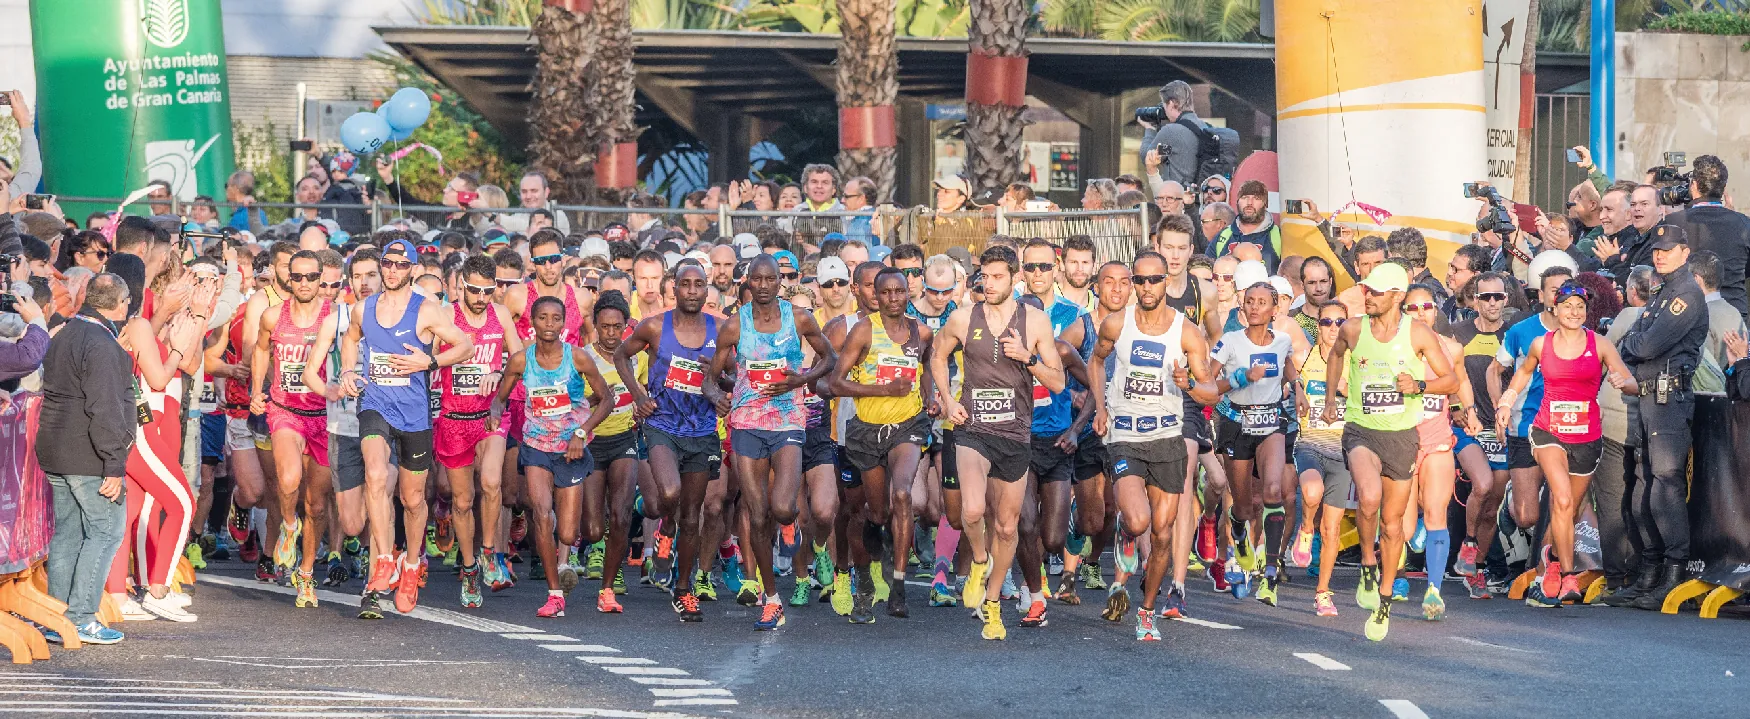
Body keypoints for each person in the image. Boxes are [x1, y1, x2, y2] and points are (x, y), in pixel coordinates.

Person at [323, 238, 475, 616]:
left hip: (414, 415)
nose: (392, 271)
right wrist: (346, 369)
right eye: (387, 264)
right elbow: (351, 338)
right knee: (375, 474)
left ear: (412, 270)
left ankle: (410, 565)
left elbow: (466, 346)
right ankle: (385, 559)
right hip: (375, 404)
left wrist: (430, 362)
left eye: (400, 265)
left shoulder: (427, 310)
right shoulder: (363, 308)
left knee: (411, 499)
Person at [926, 244, 1064, 640]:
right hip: (972, 429)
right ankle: (979, 559)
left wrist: (1027, 357)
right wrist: (948, 399)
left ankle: (991, 604)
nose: (989, 283)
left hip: (1016, 435)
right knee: (971, 512)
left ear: (1016, 277)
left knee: (1007, 527)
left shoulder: (1034, 322)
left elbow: (1057, 382)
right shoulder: (963, 317)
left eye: (998, 276)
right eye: (983, 276)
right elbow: (937, 357)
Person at [1319, 262, 1458, 642]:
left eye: (1377, 292)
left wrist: (1418, 385)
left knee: (1394, 524)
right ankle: (1367, 562)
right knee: (1369, 497)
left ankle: (1383, 598)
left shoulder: (1418, 333)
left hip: (1402, 436)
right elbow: (1335, 354)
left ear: (1397, 295)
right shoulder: (1352, 327)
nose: (1369, 296)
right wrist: (1331, 398)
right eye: (1367, 290)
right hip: (1361, 429)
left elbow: (1450, 380)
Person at [704, 255, 836, 628]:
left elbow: (830, 357)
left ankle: (790, 525)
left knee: (781, 507)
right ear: (748, 281)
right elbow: (711, 378)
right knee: (757, 514)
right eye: (757, 279)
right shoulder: (734, 325)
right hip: (746, 422)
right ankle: (772, 598)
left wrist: (800, 379)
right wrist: (717, 398)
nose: (763, 286)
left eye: (770, 279)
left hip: (787, 419)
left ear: (780, 282)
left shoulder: (799, 318)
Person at [1089, 251, 1214, 639]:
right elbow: (1095, 362)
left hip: (1167, 437)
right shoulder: (1116, 323)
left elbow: (1210, 392)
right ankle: (1126, 534)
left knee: (1162, 532)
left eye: (1153, 280)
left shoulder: (1187, 331)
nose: (1145, 288)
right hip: (1125, 435)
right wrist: (1101, 408)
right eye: (1138, 281)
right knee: (1139, 520)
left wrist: (1188, 384)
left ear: (1166, 283)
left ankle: (1147, 610)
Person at [1499, 279, 1639, 608]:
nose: (1573, 312)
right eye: (1567, 306)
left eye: (1580, 307)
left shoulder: (1600, 344)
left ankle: (1551, 560)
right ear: (1555, 309)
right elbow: (1523, 373)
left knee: (1570, 510)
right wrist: (1506, 401)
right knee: (1560, 499)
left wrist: (1624, 381)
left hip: (1587, 437)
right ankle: (1568, 576)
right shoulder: (1540, 344)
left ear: (1586, 312)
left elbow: (1630, 382)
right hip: (1548, 431)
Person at [492, 295, 614, 618]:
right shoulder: (520, 361)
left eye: (556, 319)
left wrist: (581, 432)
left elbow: (607, 400)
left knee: (568, 533)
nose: (549, 325)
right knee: (542, 514)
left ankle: (565, 559)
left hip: (570, 450)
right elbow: (500, 397)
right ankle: (554, 593)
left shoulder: (578, 359)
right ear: (532, 323)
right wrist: (494, 413)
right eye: (542, 318)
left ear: (564, 323)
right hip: (536, 447)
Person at [615, 263, 721, 622]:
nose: (692, 291)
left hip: (702, 429)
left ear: (707, 291)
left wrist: (719, 379)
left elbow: (734, 374)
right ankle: (665, 527)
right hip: (662, 423)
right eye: (685, 284)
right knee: (670, 494)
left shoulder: (719, 330)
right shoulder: (654, 326)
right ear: (673, 289)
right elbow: (620, 355)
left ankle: (683, 589)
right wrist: (638, 394)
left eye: (699, 285)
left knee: (694, 516)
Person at [1613, 225, 1708, 610]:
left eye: (1668, 250)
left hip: (1669, 400)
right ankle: (1649, 572)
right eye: (1657, 250)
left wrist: (1633, 345)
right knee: (1643, 485)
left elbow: (1644, 343)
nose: (1660, 255)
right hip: (1650, 398)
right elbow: (1633, 341)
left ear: (1685, 252)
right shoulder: (1662, 291)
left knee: (1665, 486)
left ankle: (1673, 574)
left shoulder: (1685, 294)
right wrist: (1634, 344)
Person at [40, 273, 135, 644]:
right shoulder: (100, 343)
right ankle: (79, 617)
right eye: (127, 302)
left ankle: (55, 617)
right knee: (106, 530)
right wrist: (114, 463)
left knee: (69, 533)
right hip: (87, 453)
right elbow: (105, 408)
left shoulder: (65, 332)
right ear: (120, 302)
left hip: (56, 447)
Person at [433, 254, 521, 606]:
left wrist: (499, 375)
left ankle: (488, 553)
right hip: (454, 419)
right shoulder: (443, 317)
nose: (482, 297)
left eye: (489, 290)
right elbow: (427, 357)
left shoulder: (499, 315)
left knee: (490, 482)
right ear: (460, 286)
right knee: (463, 500)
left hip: (491, 416)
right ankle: (469, 569)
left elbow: (519, 359)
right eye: (475, 290)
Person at [1208, 281, 1303, 605]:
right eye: (1249, 301)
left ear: (1275, 309)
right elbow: (1209, 384)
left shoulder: (1283, 340)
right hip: (1236, 423)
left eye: (1262, 302)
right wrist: (1240, 378)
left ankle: (1271, 570)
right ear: (1242, 306)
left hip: (1271, 422)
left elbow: (1289, 368)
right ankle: (1238, 533)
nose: (1255, 307)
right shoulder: (1231, 341)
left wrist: (1299, 388)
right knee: (1244, 507)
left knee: (1274, 491)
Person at [250, 250, 334, 608]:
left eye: (311, 277)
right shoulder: (273, 316)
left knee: (316, 505)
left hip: (325, 416)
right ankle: (287, 525)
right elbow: (260, 350)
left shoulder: (336, 318)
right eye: (296, 277)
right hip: (285, 410)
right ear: (287, 279)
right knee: (287, 480)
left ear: (320, 279)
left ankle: (307, 571)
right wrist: (256, 390)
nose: (303, 283)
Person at [1450, 272, 1514, 599]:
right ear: (1474, 300)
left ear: (1506, 300)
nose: (1492, 302)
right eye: (1485, 297)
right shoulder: (1458, 333)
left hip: (1501, 431)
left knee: (1492, 506)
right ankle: (1469, 543)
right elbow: (1443, 374)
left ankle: (1476, 568)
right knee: (1483, 484)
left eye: (1498, 297)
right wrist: (1456, 406)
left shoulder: (1514, 335)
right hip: (1467, 428)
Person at [580, 290, 643, 611]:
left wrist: (643, 405)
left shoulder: (637, 358)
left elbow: (646, 394)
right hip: (592, 444)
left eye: (617, 327)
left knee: (621, 514)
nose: (611, 334)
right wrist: (595, 401)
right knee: (592, 529)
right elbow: (572, 402)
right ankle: (594, 546)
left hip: (624, 440)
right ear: (595, 326)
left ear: (626, 326)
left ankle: (608, 587)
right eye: (604, 327)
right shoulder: (582, 358)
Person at [1293, 299, 1351, 617]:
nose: (1332, 328)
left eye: (1339, 322)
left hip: (1341, 452)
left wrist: (1349, 389)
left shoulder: (1356, 361)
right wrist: (1297, 387)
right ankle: (1305, 527)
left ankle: (1323, 593)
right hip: (1310, 444)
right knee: (1311, 492)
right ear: (1317, 326)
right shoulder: (1306, 357)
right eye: (1326, 322)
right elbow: (1289, 372)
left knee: (1333, 528)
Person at [1665, 155, 1749, 317]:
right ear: (1723, 189)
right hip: (1733, 320)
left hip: (1684, 314)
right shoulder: (1744, 224)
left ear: (1694, 185)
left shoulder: (1672, 222)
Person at [1140, 80, 1203, 188]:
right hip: (1199, 198)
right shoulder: (1204, 127)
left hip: (1177, 199)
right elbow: (1173, 151)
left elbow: (1147, 157)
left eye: (1164, 105)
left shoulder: (1171, 131)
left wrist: (1149, 129)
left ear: (1172, 103)